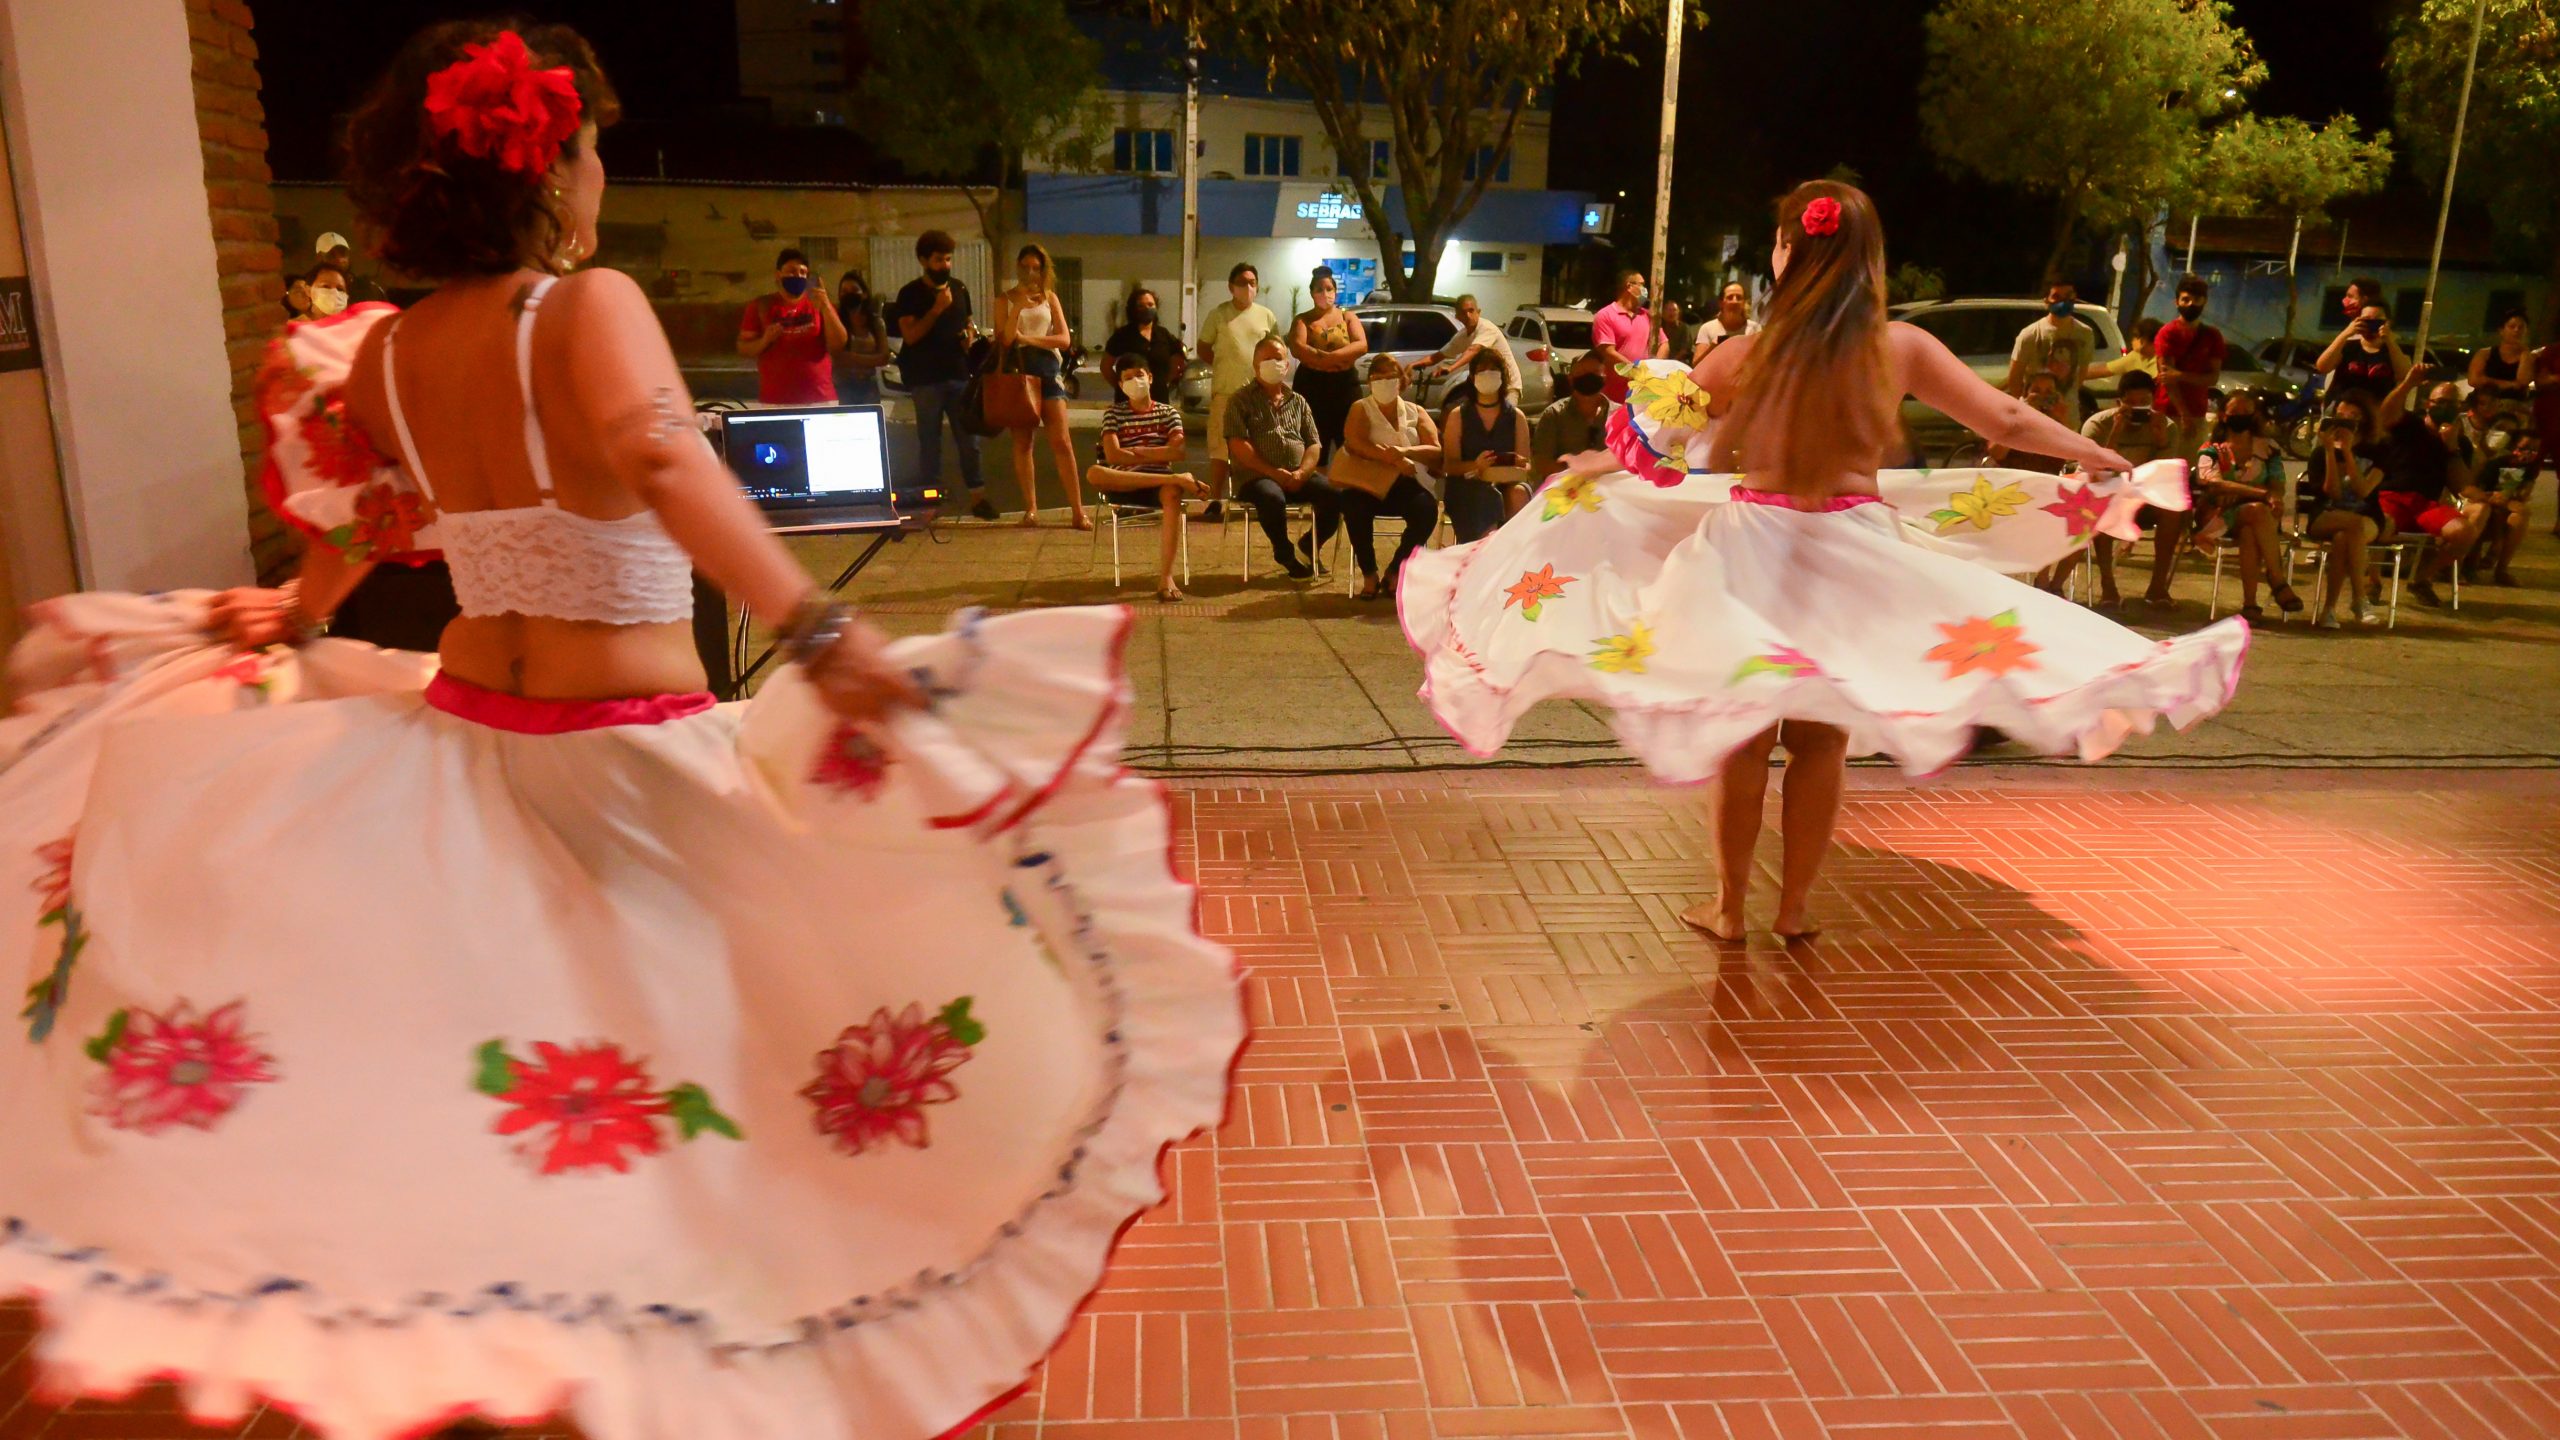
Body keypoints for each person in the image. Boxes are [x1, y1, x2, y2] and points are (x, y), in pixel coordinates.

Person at [0, 23, 1240, 1440]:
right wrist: (815, 629)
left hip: (472, 745)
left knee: (542, 1063)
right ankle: (667, 1331)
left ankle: (545, 1338)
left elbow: (382, 515)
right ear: (550, 162)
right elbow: (655, 456)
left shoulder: (388, 352)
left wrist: (298, 612)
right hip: (629, 759)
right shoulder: (585, 315)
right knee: (771, 1011)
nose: (598, 175)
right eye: (591, 146)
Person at [1397, 179, 2245, 942]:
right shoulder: (1899, 348)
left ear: (1788, 256)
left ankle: (1729, 909)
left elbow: (1650, 439)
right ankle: (1793, 907)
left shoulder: (1744, 353)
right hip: (1853, 556)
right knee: (1821, 743)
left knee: (1744, 742)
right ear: (1868, 262)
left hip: (1752, 552)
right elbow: (2009, 423)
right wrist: (2101, 460)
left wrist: (1594, 466)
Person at [891, 230, 995, 521]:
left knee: (969, 441)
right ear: (923, 260)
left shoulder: (959, 289)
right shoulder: (910, 294)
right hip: (926, 379)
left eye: (948, 259)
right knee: (930, 441)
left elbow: (969, 324)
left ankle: (978, 497)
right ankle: (930, 500)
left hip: (959, 374)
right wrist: (936, 310)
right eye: (938, 260)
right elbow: (910, 336)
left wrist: (969, 337)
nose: (945, 265)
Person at [2048, 370, 2174, 604]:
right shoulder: (2099, 424)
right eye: (2131, 403)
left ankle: (2158, 587)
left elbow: (2169, 472)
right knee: (2102, 505)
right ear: (2120, 402)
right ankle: (2107, 583)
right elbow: (2093, 469)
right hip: (2106, 492)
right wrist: (2115, 432)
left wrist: (2162, 441)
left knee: (2175, 512)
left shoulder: (2165, 425)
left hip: (2145, 495)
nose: (2138, 408)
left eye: (2144, 402)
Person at [1087, 353, 1204, 603]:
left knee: (1172, 494)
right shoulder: (1114, 414)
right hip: (1123, 481)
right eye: (1128, 378)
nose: (1135, 381)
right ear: (1120, 385)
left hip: (1159, 483)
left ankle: (1166, 577)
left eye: (1139, 375)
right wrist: (1158, 455)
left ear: (1150, 378)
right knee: (1093, 472)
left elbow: (1178, 451)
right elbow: (1112, 454)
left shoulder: (1168, 413)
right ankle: (1177, 479)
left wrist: (1139, 451)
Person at [1225, 334, 1338, 579]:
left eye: (1278, 359)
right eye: (1267, 359)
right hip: (1257, 477)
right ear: (1255, 365)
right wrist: (1272, 472)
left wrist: (1302, 472)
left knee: (1336, 496)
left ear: (1287, 365)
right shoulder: (1240, 400)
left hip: (1297, 474)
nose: (1273, 364)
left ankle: (1310, 544)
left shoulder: (1298, 401)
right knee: (1271, 497)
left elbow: (1313, 443)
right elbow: (1237, 444)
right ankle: (1284, 552)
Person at [2371, 365, 2483, 607]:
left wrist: (2451, 449)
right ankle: (2373, 581)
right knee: (2382, 522)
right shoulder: (2409, 425)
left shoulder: (2457, 441)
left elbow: (2461, 486)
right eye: (2441, 401)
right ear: (2427, 404)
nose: (2447, 407)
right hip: (2392, 495)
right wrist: (2408, 383)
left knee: (2464, 533)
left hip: (2426, 505)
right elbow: (2385, 415)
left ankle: (2420, 579)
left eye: (2453, 403)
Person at [994, 242, 1088, 529]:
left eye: (1036, 267)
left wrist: (1031, 339)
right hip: (1018, 371)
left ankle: (1078, 510)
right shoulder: (1005, 299)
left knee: (1062, 442)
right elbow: (1006, 339)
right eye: (1025, 267)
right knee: (1023, 443)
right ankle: (1031, 508)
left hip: (1047, 369)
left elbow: (1064, 340)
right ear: (1018, 267)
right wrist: (1018, 307)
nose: (1031, 272)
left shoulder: (1050, 298)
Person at [1335, 354, 1443, 601]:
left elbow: (1435, 450)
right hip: (1369, 482)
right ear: (1370, 382)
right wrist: (1392, 459)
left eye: (1390, 377)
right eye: (1378, 377)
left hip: (1406, 483)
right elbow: (1355, 442)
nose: (1384, 382)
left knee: (1426, 510)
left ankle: (1396, 569)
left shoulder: (1416, 411)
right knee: (1354, 507)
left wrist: (1405, 452)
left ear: (1401, 381)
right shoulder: (1361, 408)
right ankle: (1369, 572)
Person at [2194, 391, 2303, 621]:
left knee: (2250, 531)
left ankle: (2250, 604)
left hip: (2256, 518)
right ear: (2224, 415)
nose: (2241, 416)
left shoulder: (2268, 449)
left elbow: (2277, 482)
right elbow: (2215, 483)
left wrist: (2274, 497)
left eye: (2247, 412)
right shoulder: (2212, 449)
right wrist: (2262, 494)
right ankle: (2278, 580)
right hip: (2220, 515)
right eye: (2236, 412)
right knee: (2257, 510)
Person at [1199, 263, 1280, 522]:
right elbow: (1203, 348)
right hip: (1226, 392)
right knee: (1220, 449)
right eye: (1243, 282)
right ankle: (1216, 499)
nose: (1248, 287)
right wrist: (1225, 365)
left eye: (1252, 282)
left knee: (1257, 447)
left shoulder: (1266, 316)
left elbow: (1276, 348)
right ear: (1231, 286)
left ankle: (1256, 497)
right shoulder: (1219, 314)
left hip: (1258, 394)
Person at [2300, 391, 2387, 627]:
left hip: (2366, 513)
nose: (2346, 420)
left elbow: (2362, 491)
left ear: (2365, 421)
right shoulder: (2321, 453)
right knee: (2352, 525)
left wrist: (2348, 452)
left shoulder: (2377, 452)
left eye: (2353, 416)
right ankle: (2360, 598)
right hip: (2327, 513)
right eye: (2341, 415)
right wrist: (2331, 451)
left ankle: (2328, 610)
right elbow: (2334, 494)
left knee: (2344, 537)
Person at [1438, 349, 1533, 542]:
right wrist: (1476, 465)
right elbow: (1450, 465)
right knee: (1485, 496)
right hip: (1467, 484)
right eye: (1482, 370)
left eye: (1493, 369)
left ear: (1503, 376)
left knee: (1519, 493)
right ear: (1473, 378)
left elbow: (1526, 464)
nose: (1488, 374)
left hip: (1506, 481)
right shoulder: (1458, 416)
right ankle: (1487, 552)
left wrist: (1514, 463)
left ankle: (1514, 553)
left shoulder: (1516, 417)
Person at [736, 245, 847, 405]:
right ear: (778, 274)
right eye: (792, 271)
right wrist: (764, 341)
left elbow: (839, 344)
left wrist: (827, 306)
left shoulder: (819, 304)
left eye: (803, 272)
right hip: (776, 400)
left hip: (820, 398)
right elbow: (743, 348)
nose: (798, 276)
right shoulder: (761, 306)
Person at [1289, 266, 1369, 455]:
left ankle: (1347, 481)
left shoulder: (1347, 317)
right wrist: (1324, 363)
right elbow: (1298, 348)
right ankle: (1316, 479)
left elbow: (1361, 345)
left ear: (1335, 291)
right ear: (1312, 293)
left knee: (1350, 440)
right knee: (1315, 442)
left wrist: (1332, 357)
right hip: (1313, 386)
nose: (1325, 293)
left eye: (1329, 289)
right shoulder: (1303, 320)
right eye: (1319, 289)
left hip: (1344, 385)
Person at [2155, 274, 2227, 471]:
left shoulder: (2212, 335)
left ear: (2204, 301)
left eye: (2196, 299)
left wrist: (2180, 375)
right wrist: (2183, 414)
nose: (2190, 304)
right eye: (2185, 299)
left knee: (2188, 468)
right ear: (2177, 301)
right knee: (2163, 468)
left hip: (2197, 411)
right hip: (2167, 411)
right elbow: (2166, 379)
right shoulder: (2168, 333)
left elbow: (2213, 377)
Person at [2003, 279, 2097, 427]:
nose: (2064, 301)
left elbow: (2081, 374)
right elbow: (2015, 376)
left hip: (2068, 416)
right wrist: (2025, 406)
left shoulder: (2085, 333)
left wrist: (2067, 397)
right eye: (2057, 297)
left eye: (2068, 295)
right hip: (2035, 416)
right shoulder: (2030, 334)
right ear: (2047, 301)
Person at [1531, 350, 1617, 484]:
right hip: (1565, 490)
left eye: (1594, 372)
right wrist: (1579, 475)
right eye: (1582, 372)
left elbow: (1629, 459)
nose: (1588, 377)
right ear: (1570, 378)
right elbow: (1542, 462)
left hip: (1611, 489)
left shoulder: (1619, 415)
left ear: (1604, 377)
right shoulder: (1554, 414)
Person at [2314, 278, 2408, 402]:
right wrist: (2345, 334)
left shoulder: (2393, 347)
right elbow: (2322, 366)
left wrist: (2389, 340)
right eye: (2366, 320)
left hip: (2375, 414)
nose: (2346, 301)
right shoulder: (2349, 343)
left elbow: (2403, 375)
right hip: (2343, 409)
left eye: (2377, 320)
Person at [1420, 293, 1521, 404]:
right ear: (1457, 316)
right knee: (1454, 410)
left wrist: (1450, 368)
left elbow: (1473, 350)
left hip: (1507, 386)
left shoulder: (1486, 328)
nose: (1468, 316)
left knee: (1505, 418)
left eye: (1471, 311)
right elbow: (1437, 356)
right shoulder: (1462, 335)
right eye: (1464, 313)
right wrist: (1411, 366)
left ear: (1478, 312)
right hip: (1485, 387)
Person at [1589, 269, 1663, 401]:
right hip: (1614, 395)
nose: (1645, 290)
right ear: (1629, 286)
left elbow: (1664, 343)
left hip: (1644, 395)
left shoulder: (1647, 316)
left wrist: (1654, 368)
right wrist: (1636, 371)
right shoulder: (1605, 315)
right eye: (1641, 284)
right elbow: (1607, 351)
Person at [1101, 286, 1184, 404]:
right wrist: (1123, 386)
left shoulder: (1163, 334)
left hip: (1158, 399)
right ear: (1133, 309)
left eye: (1150, 305)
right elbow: (1106, 366)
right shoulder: (1122, 335)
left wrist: (1164, 382)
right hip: (1129, 401)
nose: (1147, 308)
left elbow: (1178, 360)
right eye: (1141, 306)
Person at [2480, 426, 2538, 586]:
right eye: (2524, 448)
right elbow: (2488, 494)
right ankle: (2491, 553)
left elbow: (2520, 495)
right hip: (2482, 507)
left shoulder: (2528, 467)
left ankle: (2501, 569)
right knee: (2515, 511)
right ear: (2513, 447)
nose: (2529, 454)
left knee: (2519, 516)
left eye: (2534, 450)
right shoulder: (2497, 464)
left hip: (2503, 509)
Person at [1984, 372, 2073, 472]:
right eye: (2036, 391)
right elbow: (1996, 453)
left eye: (2049, 392)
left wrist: (2062, 420)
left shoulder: (2057, 421)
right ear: (2025, 395)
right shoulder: (2011, 417)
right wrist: (2021, 417)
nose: (2042, 396)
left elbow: (2071, 456)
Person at [831, 269, 891, 405]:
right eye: (844, 291)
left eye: (854, 289)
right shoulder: (836, 321)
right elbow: (836, 356)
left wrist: (852, 357)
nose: (849, 294)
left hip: (868, 386)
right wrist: (869, 359)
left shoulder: (875, 322)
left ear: (864, 294)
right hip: (842, 387)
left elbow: (884, 357)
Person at [2469, 309, 2539, 414]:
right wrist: (2508, 384)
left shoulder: (2528, 356)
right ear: (2501, 330)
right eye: (2512, 327)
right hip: (2484, 405)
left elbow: (2523, 381)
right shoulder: (2485, 354)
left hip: (2514, 407)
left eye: (2521, 327)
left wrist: (2524, 351)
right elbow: (2474, 380)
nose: (2516, 330)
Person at [314, 230, 390, 304]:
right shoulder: (308, 290)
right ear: (319, 258)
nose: (339, 259)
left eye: (342, 253)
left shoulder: (366, 288)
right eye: (331, 255)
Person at [1691, 280, 1757, 362]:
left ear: (1744, 302)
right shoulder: (1707, 328)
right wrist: (1712, 348)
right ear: (1721, 303)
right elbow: (1696, 364)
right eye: (1730, 297)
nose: (1734, 301)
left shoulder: (1755, 329)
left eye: (1739, 298)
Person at [2083, 316, 2163, 382]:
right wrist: (2074, 372)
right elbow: (2105, 369)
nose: (2134, 340)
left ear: (2145, 339)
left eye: (2136, 336)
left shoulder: (2165, 359)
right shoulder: (2135, 356)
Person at [283, 260, 351, 321]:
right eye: (326, 286)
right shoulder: (295, 329)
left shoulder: (355, 327)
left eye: (340, 289)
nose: (334, 292)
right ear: (309, 291)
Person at [1659, 298, 1692, 364]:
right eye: (1669, 310)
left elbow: (1685, 349)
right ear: (1663, 312)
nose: (1671, 313)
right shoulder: (1659, 327)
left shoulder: (1684, 328)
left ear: (1679, 313)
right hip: (1659, 361)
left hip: (1678, 363)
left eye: (1674, 310)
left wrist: (1672, 361)